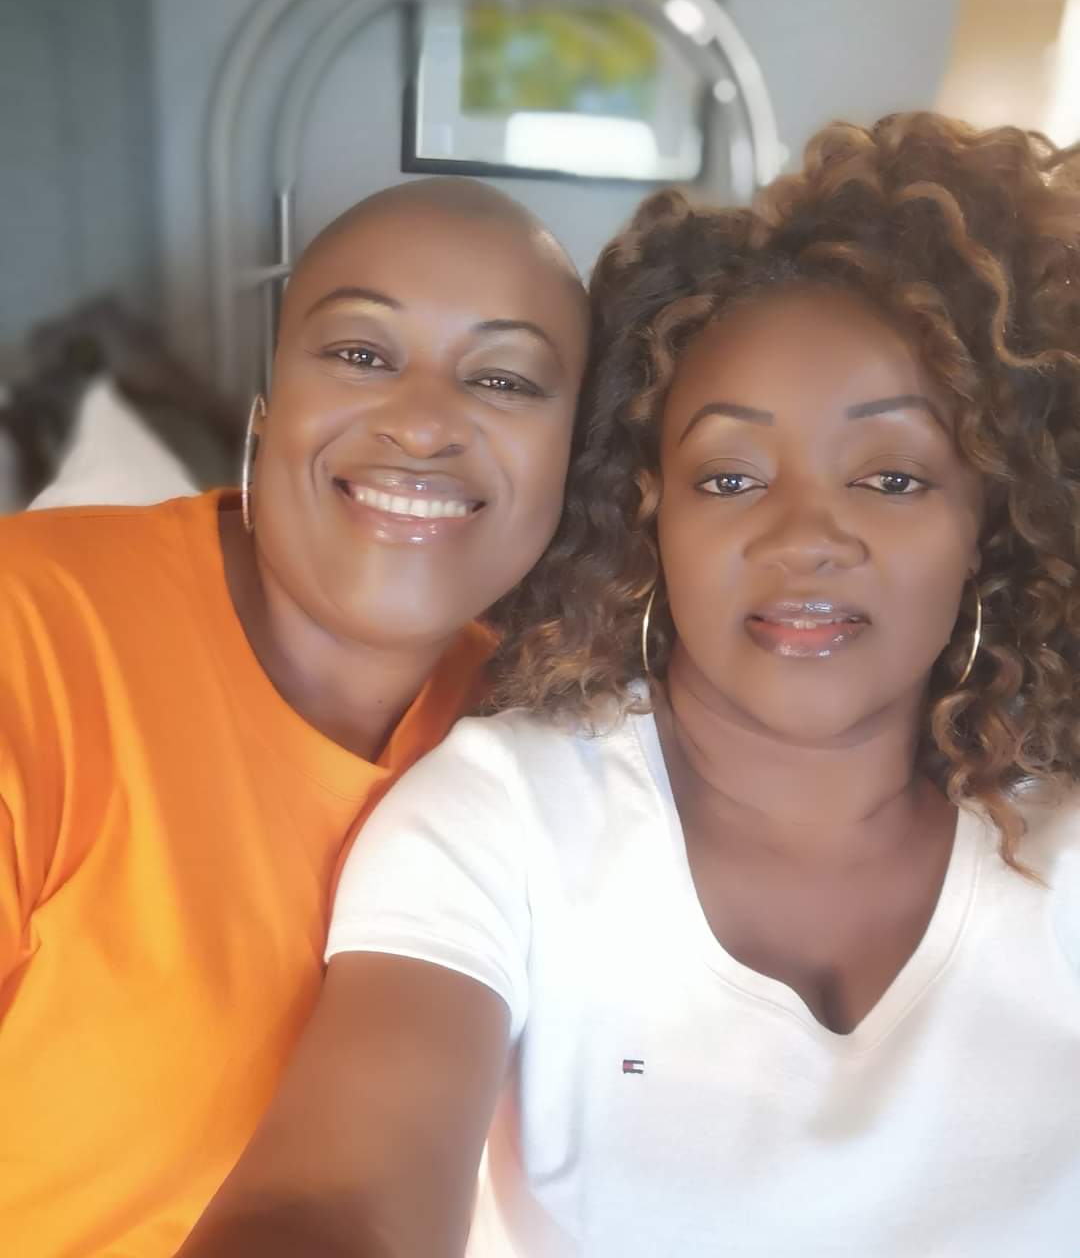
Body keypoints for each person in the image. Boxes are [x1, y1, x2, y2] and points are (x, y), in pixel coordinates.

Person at [180, 114, 1080, 1258]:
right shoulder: (500, 821)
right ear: (647, 517)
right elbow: (334, 1202)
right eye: (730, 477)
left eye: (893, 477)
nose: (806, 537)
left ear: (992, 524)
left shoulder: (1060, 845)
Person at [0, 177, 592, 1256]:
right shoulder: (29, 639)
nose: (423, 422)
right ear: (268, 410)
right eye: (361, 354)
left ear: (573, 463)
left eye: (503, 379)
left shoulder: (546, 736)